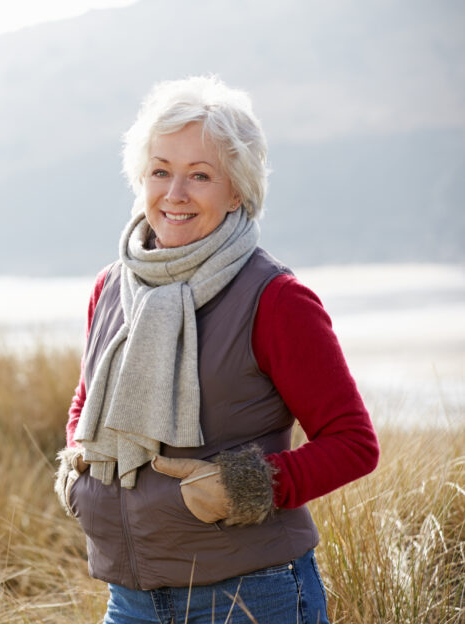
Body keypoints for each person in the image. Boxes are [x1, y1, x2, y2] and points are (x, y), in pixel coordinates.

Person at [54, 76, 379, 624]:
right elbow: (87, 401)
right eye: (161, 171)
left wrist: (244, 488)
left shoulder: (275, 299)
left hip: (250, 597)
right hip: (130, 600)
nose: (175, 194)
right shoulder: (111, 287)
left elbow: (353, 443)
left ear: (237, 191)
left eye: (200, 176)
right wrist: (78, 468)